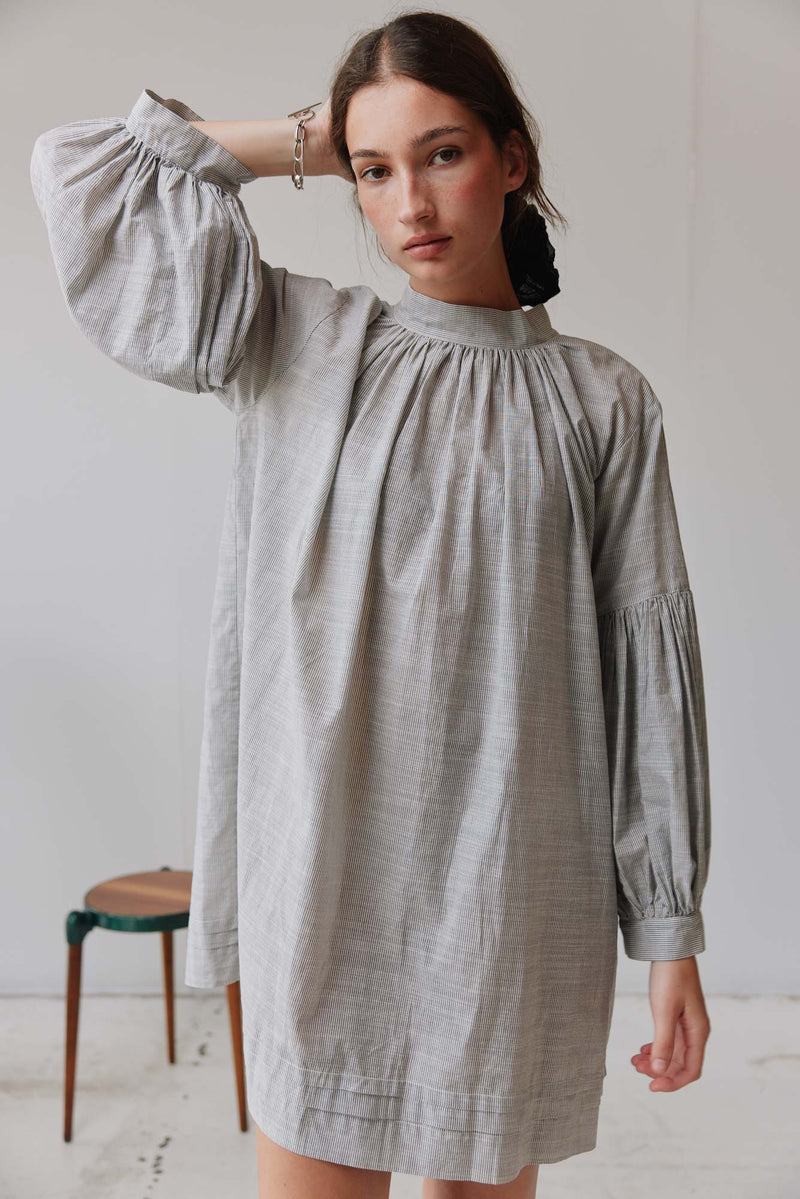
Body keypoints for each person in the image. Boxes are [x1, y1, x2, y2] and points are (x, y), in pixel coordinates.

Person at [30, 10, 712, 1198]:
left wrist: (667, 935)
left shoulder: (603, 402)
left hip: (513, 900)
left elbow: (644, 671)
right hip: (324, 895)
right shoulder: (297, 340)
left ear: (511, 156)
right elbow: (85, 173)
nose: (410, 203)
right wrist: (311, 136)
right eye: (374, 171)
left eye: (442, 154)